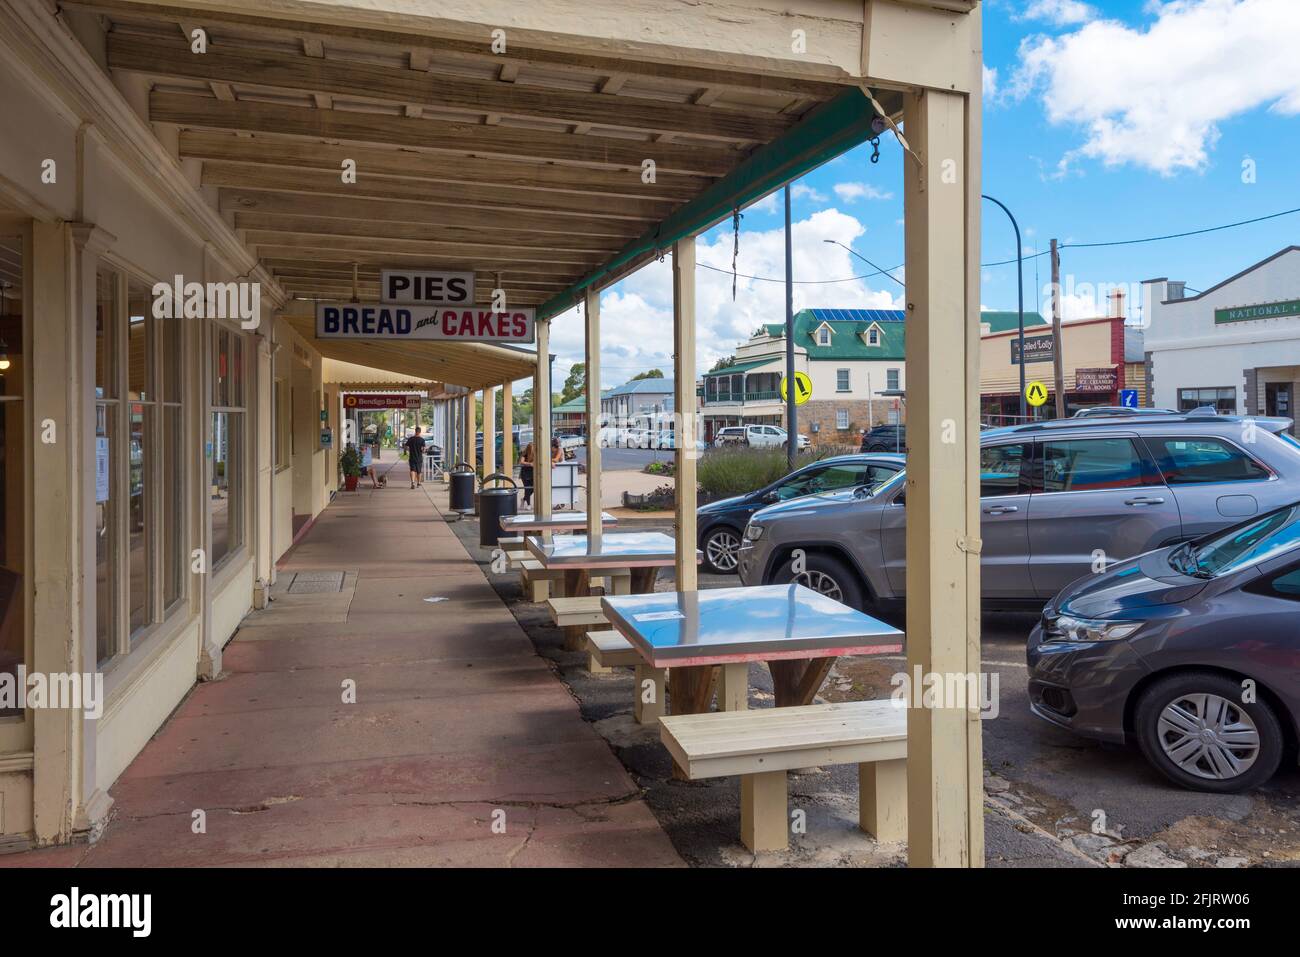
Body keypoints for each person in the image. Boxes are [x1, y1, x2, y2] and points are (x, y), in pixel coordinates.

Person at [519, 441, 535, 508]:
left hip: (532, 473)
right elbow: (521, 462)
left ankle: (523, 499)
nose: (532, 450)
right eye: (531, 449)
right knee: (527, 488)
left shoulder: (535, 454)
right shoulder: (524, 454)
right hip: (525, 473)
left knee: (533, 488)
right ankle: (528, 504)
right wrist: (529, 464)